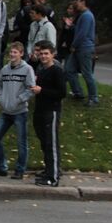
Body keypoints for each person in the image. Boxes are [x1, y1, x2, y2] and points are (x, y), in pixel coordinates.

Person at [0, 42, 37, 179]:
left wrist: (20, 99)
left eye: (15, 52)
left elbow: (31, 89)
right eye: (11, 52)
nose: (12, 55)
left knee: (21, 142)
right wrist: (1, 97)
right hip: (5, 112)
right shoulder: (4, 69)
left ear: (21, 54)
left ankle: (20, 170)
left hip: (20, 112)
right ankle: (2, 166)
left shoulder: (27, 69)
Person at [30, 40, 66, 187]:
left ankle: (54, 177)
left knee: (51, 143)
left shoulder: (57, 70)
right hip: (40, 110)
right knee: (44, 142)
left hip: (51, 111)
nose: (43, 56)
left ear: (53, 55)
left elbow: (61, 93)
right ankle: (48, 170)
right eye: (41, 54)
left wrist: (42, 91)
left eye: (46, 54)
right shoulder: (41, 70)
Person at [65, 0, 98, 107]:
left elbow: (82, 34)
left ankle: (94, 98)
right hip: (79, 48)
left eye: (78, 1)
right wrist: (72, 26)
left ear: (83, 2)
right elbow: (79, 30)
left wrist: (74, 45)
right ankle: (78, 92)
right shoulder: (83, 15)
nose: (76, 4)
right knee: (69, 69)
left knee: (87, 73)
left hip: (84, 48)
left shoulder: (87, 16)